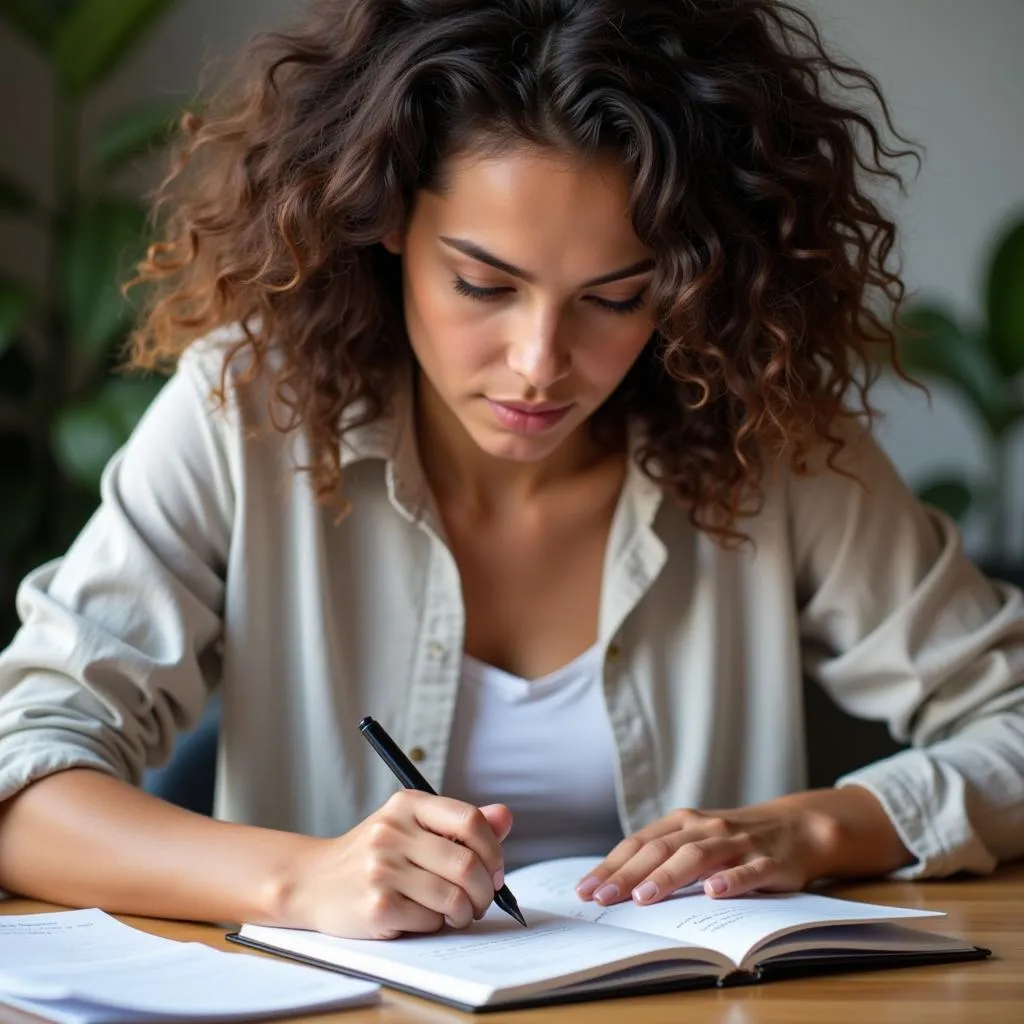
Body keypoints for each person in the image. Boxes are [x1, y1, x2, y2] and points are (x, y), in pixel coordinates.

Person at [0, 0, 1021, 943]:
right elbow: (22, 777)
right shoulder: (249, 411)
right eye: (484, 284)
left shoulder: (768, 440)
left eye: (616, 298)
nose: (539, 362)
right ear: (389, 220)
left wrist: (822, 827)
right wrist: (299, 880)